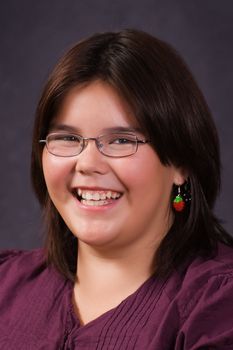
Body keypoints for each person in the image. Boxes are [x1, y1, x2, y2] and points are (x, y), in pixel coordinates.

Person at [1, 29, 233, 349]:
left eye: (121, 140)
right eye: (67, 138)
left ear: (181, 162)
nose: (87, 163)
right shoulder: (5, 284)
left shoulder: (218, 307)